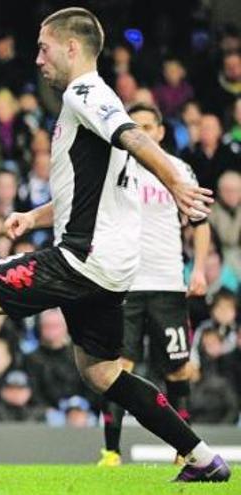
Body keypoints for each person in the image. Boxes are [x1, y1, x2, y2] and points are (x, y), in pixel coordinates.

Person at [0, 7, 229, 483]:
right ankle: (202, 456)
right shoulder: (96, 101)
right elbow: (88, 193)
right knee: (102, 374)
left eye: (44, 48)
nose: (38, 59)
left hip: (82, 258)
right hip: (110, 265)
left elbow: (134, 135)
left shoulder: (85, 92)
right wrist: (34, 217)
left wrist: (176, 181)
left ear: (71, 47)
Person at [98, 103, 212, 467]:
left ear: (162, 131)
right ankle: (111, 452)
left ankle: (183, 452)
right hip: (125, 283)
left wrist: (198, 269)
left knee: (177, 369)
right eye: (137, 126)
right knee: (119, 368)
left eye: (149, 125)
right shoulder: (116, 169)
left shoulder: (179, 170)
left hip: (166, 282)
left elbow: (201, 222)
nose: (143, 132)